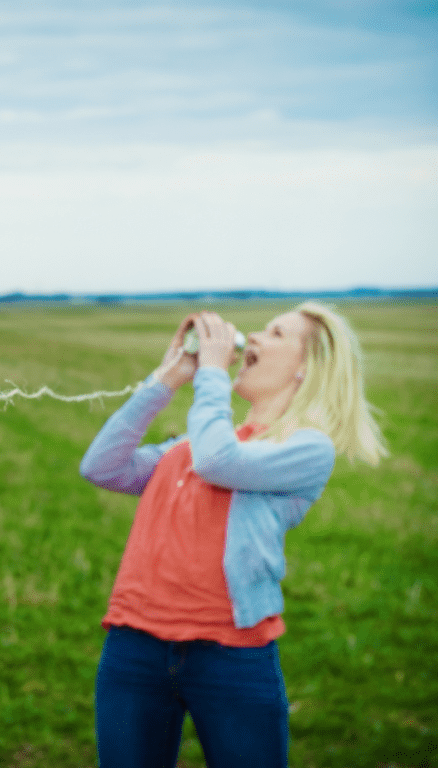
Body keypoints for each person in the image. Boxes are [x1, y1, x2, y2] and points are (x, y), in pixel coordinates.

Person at [79, 305, 386, 768]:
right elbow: (102, 466)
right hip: (134, 646)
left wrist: (213, 375)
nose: (256, 338)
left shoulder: (306, 448)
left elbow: (218, 461)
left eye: (276, 333)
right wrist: (168, 378)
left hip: (230, 655)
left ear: (307, 367)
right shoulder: (191, 443)